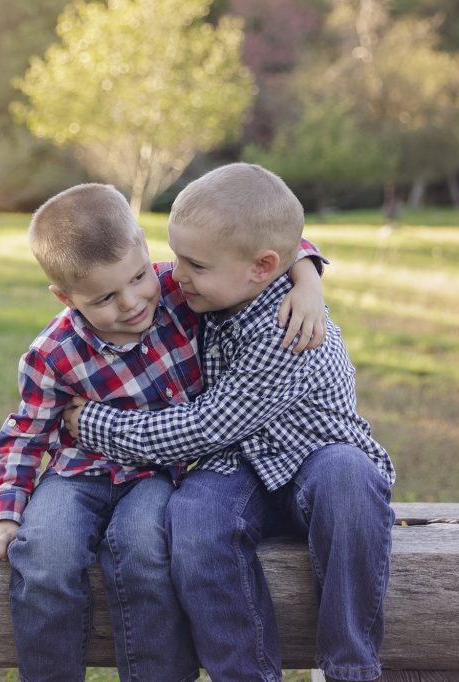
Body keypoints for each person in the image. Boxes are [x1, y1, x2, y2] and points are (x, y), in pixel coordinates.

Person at [0, 182, 328, 682]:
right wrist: (4, 514)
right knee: (44, 556)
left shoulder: (178, 293)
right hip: (75, 476)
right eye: (105, 296)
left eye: (137, 276)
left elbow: (258, 249)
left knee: (144, 553)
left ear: (148, 253)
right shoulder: (53, 353)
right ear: (65, 297)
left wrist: (308, 278)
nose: (132, 302)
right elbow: (24, 436)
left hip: (155, 475)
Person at [63, 164, 396, 682]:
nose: (174, 274)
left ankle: (349, 668)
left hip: (315, 456)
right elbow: (280, 243)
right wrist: (307, 269)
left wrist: (95, 425)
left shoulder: (286, 330)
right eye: (175, 256)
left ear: (263, 268)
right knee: (195, 517)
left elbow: (205, 427)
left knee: (349, 478)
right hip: (240, 462)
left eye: (192, 263)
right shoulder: (210, 286)